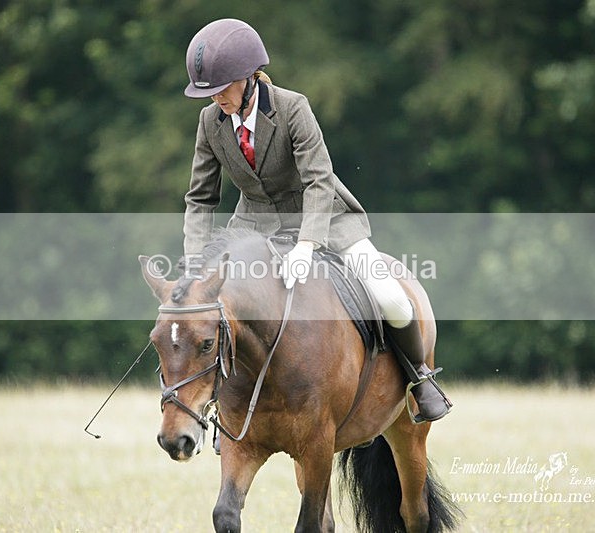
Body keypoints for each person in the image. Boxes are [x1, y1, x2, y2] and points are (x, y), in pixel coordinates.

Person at [179, 18, 451, 422]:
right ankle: (228, 410)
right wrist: (195, 264)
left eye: (221, 87)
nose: (215, 97)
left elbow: (319, 181)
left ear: (249, 77)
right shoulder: (210, 122)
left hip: (323, 216)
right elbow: (201, 197)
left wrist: (307, 244)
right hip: (252, 227)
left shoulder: (292, 108)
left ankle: (419, 378)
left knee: (390, 296)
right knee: (220, 313)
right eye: (208, 91)